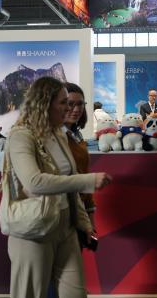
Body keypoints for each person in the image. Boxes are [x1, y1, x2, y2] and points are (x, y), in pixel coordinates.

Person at [6, 77, 111, 298]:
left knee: (76, 293)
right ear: (45, 103)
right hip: (35, 228)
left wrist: (84, 222)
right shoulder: (21, 136)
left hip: (66, 226)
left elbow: (69, 180)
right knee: (30, 293)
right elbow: (34, 182)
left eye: (74, 103)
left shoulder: (59, 134)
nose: (70, 108)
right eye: (64, 102)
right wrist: (88, 181)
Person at [64, 83, 97, 229]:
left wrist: (90, 214)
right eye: (70, 104)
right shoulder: (51, 138)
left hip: (80, 207)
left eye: (80, 104)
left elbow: (84, 175)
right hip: (61, 211)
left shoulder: (77, 135)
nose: (77, 109)